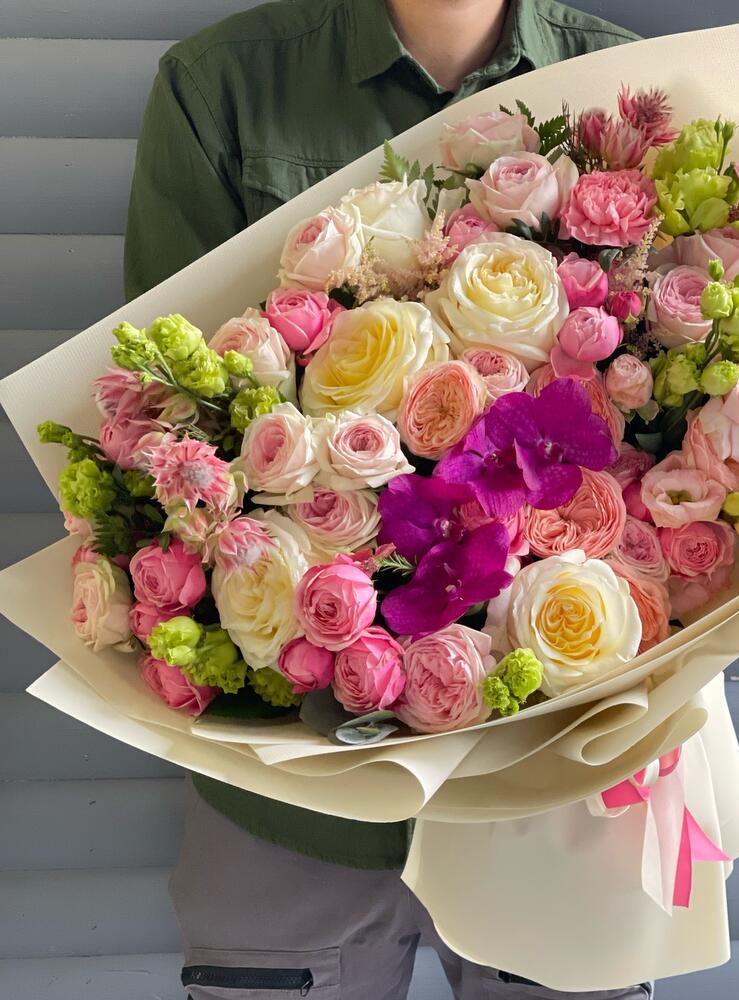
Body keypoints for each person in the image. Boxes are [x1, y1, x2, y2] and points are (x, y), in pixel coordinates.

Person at [125, 1, 653, 996]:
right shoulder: (223, 88)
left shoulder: (625, 90)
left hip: (555, 769)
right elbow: (166, 419)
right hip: (290, 788)